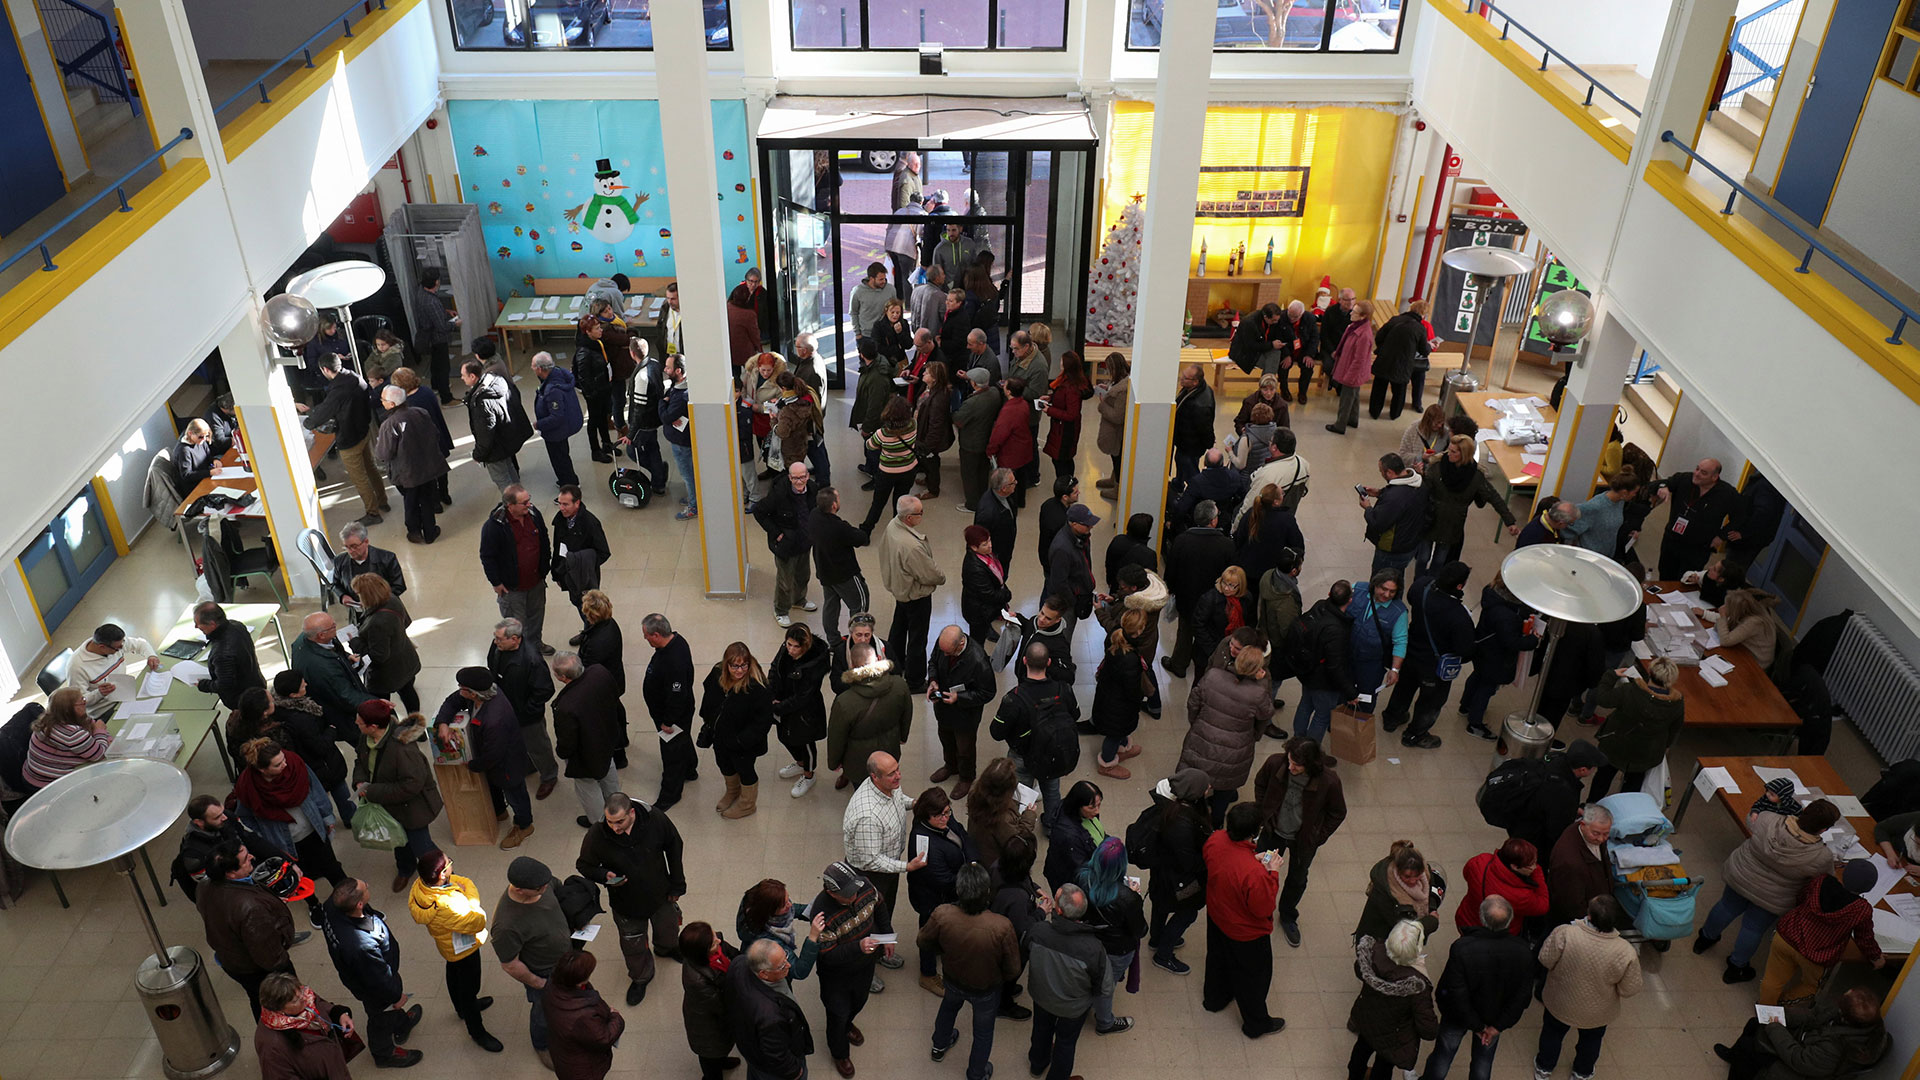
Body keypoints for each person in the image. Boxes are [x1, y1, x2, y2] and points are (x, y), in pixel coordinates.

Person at [1696, 799, 1845, 982]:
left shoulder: (1768, 819)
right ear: (1823, 830)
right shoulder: (1821, 856)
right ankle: (1736, 967)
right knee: (1752, 928)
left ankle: (1704, 939)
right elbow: (1826, 878)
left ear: (1804, 810)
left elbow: (1750, 821)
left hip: (1741, 876)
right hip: (1773, 897)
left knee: (1726, 907)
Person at [575, 792, 685, 1007]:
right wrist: (603, 876)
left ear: (632, 813)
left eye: (620, 821)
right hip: (626, 901)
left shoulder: (655, 820)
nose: (615, 828)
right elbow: (584, 865)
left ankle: (667, 948)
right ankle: (641, 977)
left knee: (669, 927)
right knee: (632, 943)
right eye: (610, 821)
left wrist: (677, 884)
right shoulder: (598, 834)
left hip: (661, 893)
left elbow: (674, 846)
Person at [1421, 896, 1534, 1080]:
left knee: (1443, 1055)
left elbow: (1455, 992)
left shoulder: (1463, 948)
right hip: (1495, 1017)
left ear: (1481, 918)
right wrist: (1496, 1026)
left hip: (1457, 1017)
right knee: (1483, 1061)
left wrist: (1476, 1025)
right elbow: (1522, 995)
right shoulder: (1522, 951)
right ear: (1509, 920)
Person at [1201, 803, 1287, 1039]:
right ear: (1255, 832)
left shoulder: (1215, 839)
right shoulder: (1255, 873)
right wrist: (1272, 872)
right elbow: (1263, 908)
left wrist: (1252, 857)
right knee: (1253, 980)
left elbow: (1224, 864)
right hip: (1245, 934)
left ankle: (1215, 999)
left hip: (1217, 916)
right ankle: (1256, 1024)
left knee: (1217, 960)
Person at [316, 878, 422, 1068]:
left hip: (361, 973)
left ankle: (401, 1023)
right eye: (366, 888)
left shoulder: (331, 906)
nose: (368, 885)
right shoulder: (360, 947)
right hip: (374, 985)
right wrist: (396, 996)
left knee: (387, 1011)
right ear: (359, 904)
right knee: (380, 1016)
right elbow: (378, 980)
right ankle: (384, 1053)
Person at [1252, 737, 1347, 948]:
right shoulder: (1276, 763)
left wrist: (1317, 837)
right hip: (1272, 835)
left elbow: (1338, 813)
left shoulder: (1328, 782)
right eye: (1290, 760)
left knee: (1297, 878)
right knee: (1263, 870)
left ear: (1311, 765)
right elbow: (1260, 784)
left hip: (1302, 843)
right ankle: (1259, 910)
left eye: (1297, 765)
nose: (1291, 767)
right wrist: (1264, 811)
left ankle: (1287, 916)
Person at [1534, 897, 1643, 1080]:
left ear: (1589, 916)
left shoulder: (1565, 933)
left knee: (1552, 1033)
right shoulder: (1626, 952)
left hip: (1561, 1000)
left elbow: (1545, 959)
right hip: (1597, 1010)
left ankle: (1544, 1068)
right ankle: (1582, 1072)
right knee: (1591, 1040)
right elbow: (1629, 989)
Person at [406, 849, 502, 1052]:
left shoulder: (421, 886)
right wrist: (470, 895)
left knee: (453, 970)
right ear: (442, 874)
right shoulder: (451, 904)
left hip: (448, 945)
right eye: (449, 862)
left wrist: (460, 887)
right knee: (469, 987)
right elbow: (477, 920)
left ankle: (460, 1009)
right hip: (464, 948)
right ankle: (477, 1031)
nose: (452, 863)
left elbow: (459, 880)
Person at [809, 859, 896, 1078]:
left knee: (859, 1001)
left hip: (864, 967)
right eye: (848, 894)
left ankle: (848, 1025)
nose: (855, 896)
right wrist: (858, 947)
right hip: (836, 976)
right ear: (831, 892)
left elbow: (880, 906)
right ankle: (839, 1053)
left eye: (855, 890)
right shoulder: (821, 914)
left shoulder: (864, 886)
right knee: (837, 1014)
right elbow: (827, 954)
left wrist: (886, 936)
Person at [1759, 861, 1886, 1006]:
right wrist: (1876, 957)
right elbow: (1864, 938)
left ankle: (1767, 1008)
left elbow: (1801, 897)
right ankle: (1784, 1004)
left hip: (1787, 937)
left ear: (1844, 873)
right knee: (1811, 986)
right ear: (1869, 888)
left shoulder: (1821, 881)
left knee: (1773, 980)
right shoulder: (1862, 909)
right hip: (1816, 955)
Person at [232, 735, 347, 895]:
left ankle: (351, 899)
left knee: (332, 868)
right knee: (299, 878)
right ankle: (315, 906)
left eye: (283, 758)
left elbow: (315, 789)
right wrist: (263, 835)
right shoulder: (247, 786)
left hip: (314, 830)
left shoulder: (295, 764)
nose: (285, 764)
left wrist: (327, 816)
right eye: (278, 764)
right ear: (262, 770)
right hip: (284, 843)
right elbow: (244, 816)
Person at [1380, 562, 1477, 751]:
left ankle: (1392, 718)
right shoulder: (1459, 616)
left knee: (1404, 688)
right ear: (1459, 586)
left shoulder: (1422, 586)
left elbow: (1409, 597)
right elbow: (1465, 651)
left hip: (1409, 652)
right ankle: (1415, 734)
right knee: (1430, 702)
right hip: (1433, 667)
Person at [197, 841, 300, 1017]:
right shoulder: (250, 908)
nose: (252, 857)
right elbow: (271, 958)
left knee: (257, 999)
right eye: (245, 859)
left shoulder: (204, 886)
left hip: (233, 961)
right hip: (259, 968)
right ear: (231, 873)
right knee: (283, 1002)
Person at [437, 667, 536, 849]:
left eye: (461, 687)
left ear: (473, 693)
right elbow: (452, 701)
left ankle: (524, 825)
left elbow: (494, 755)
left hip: (507, 765)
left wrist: (471, 765)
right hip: (491, 759)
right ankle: (499, 811)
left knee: (516, 795)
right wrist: (442, 723)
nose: (459, 689)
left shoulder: (494, 718)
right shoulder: (483, 693)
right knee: (492, 785)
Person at [351, 701, 442, 893]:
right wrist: (360, 781)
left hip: (412, 809)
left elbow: (412, 785)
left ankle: (441, 876)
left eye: (359, 722)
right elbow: (360, 761)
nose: (356, 724)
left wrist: (372, 792)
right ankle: (405, 869)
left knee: (422, 845)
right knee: (398, 841)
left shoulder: (403, 749)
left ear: (373, 726)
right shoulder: (365, 737)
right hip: (388, 806)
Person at [490, 857, 573, 1068]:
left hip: (565, 958)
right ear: (519, 889)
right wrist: (539, 984)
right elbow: (509, 964)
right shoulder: (506, 925)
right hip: (543, 971)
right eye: (539, 887)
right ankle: (542, 1045)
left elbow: (556, 885)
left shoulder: (543, 884)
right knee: (542, 1011)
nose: (545, 888)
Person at [992, 643, 1082, 834]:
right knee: (1051, 791)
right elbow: (1075, 715)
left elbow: (996, 733)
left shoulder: (1014, 698)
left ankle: (1022, 829)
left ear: (1024, 661)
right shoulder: (1063, 689)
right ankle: (1051, 826)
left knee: (1022, 794)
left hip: (1022, 755)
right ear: (1048, 662)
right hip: (1053, 752)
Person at [1027, 883, 1113, 1080]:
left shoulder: (1039, 931)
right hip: (1073, 1008)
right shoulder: (1093, 948)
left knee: (1041, 1028)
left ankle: (1037, 1065)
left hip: (1041, 997)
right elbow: (1106, 987)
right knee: (1065, 1042)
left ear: (1058, 910)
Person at [1180, 644, 1272, 827]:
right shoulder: (1258, 693)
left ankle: (1188, 822)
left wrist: (1196, 723)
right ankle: (1215, 826)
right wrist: (1254, 735)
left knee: (1193, 787)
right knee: (1224, 793)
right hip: (1235, 751)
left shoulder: (1213, 676)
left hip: (1202, 741)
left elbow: (1193, 702)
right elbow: (1266, 714)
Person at [1715, 987, 1891, 1080]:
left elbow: (1798, 1059)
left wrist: (1775, 1025)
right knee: (1754, 1023)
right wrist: (1783, 1015)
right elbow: (1814, 1015)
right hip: (1807, 1043)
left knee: (1749, 1049)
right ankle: (1733, 1055)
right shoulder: (1857, 1020)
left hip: (1800, 1070)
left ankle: (1739, 1065)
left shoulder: (1838, 1048)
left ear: (1845, 1017)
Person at [300, 352, 390, 524]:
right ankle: (383, 501)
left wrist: (308, 422)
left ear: (325, 369)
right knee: (370, 467)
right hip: (363, 430)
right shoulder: (355, 377)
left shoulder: (338, 390)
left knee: (359, 477)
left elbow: (324, 412)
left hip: (349, 438)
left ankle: (373, 513)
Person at [1347, 919, 1439, 1080]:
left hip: (1367, 1018)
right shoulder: (1417, 984)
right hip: (1395, 1035)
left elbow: (1358, 969)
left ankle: (1354, 1076)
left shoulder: (1373, 953)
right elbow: (1428, 1029)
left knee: (1360, 1052)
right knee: (1383, 1068)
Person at [1146, 768, 1214, 976]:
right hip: (1180, 881)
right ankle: (1163, 955)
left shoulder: (1168, 810)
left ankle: (1156, 938)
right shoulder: (1183, 823)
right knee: (1188, 913)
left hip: (1161, 874)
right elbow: (1188, 862)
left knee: (1160, 907)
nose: (1210, 788)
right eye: (1206, 786)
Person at [1588, 658, 1686, 800]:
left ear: (1650, 673)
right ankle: (1625, 815)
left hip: (1615, 745)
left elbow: (1602, 698)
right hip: (1646, 754)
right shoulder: (1676, 703)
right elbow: (1675, 729)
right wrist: (1665, 746)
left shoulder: (1630, 691)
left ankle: (1590, 807)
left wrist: (1611, 675)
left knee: (1603, 778)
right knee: (1632, 787)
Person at [1458, 572, 1540, 740]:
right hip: (1496, 657)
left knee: (1477, 676)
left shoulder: (1491, 592)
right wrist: (1533, 640)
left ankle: (1465, 705)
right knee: (1486, 688)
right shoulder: (1506, 615)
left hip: (1483, 649)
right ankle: (1475, 724)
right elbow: (1512, 642)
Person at [1420, 436, 1519, 573]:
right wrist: (1421, 476)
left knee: (1439, 560)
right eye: (1449, 450)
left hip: (1452, 523)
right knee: (1423, 557)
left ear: (1464, 454)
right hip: (1431, 517)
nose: (1449, 454)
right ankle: (1419, 582)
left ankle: (1430, 584)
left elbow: (1494, 497)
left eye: (1454, 452)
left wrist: (1510, 521)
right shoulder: (1437, 467)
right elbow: (1424, 490)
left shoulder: (1476, 476)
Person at [700, 642, 776, 820]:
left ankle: (747, 804)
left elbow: (763, 720)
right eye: (735, 665)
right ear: (727, 664)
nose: (739, 670)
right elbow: (708, 696)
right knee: (724, 764)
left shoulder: (758, 687)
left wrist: (743, 741)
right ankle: (733, 791)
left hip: (743, 742)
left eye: (744, 665)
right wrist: (708, 719)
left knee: (745, 769)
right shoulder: (717, 674)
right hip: (720, 736)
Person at [1079, 837, 1147, 1036]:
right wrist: (1135, 897)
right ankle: (1105, 1022)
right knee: (1105, 987)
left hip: (1088, 943)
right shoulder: (1128, 898)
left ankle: (1081, 1008)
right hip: (1117, 950)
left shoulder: (1083, 878)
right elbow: (1140, 930)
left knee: (1087, 978)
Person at [488, 617, 561, 801]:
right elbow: (492, 664)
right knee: (517, 741)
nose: (495, 642)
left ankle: (549, 775)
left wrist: (527, 711)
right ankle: (529, 764)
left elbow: (545, 689)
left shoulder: (532, 660)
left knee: (538, 745)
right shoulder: (498, 647)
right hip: (507, 707)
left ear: (515, 639)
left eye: (499, 639)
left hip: (527, 716)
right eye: (495, 638)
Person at [877, 495, 944, 692]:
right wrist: (942, 578)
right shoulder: (912, 546)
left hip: (900, 590)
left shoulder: (892, 525)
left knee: (898, 628)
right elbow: (930, 574)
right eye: (919, 513)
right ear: (908, 518)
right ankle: (915, 681)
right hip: (916, 595)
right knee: (917, 638)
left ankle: (895, 664)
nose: (922, 515)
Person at [1162, 500, 1236, 678]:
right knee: (1210, 633)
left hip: (1187, 598)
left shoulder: (1182, 540)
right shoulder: (1226, 545)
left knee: (1185, 632)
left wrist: (1172, 590)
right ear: (1213, 521)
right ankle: (1209, 666)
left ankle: (1179, 664)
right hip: (1215, 601)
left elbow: (1170, 571)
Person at [549, 653, 622, 827]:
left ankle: (601, 825)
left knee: (588, 789)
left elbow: (568, 742)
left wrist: (561, 752)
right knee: (609, 775)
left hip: (586, 755)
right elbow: (615, 696)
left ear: (563, 678)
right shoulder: (600, 672)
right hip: (607, 739)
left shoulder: (566, 706)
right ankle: (619, 811)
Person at [479, 484, 553, 656]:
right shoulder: (494, 526)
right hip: (512, 588)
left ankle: (535, 644)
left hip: (536, 582)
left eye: (528, 500)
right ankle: (521, 654)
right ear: (509, 506)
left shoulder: (533, 514)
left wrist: (545, 567)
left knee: (536, 616)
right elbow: (487, 557)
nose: (529, 505)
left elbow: (544, 539)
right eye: (524, 503)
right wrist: (496, 582)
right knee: (515, 624)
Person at [827, 645, 913, 786]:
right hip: (889, 749)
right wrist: (903, 736)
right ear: (878, 659)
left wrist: (834, 763)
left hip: (858, 760)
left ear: (852, 665)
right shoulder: (899, 685)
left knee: (862, 792)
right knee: (888, 784)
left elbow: (837, 736)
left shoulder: (844, 701)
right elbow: (907, 714)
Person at [373, 385, 449, 544]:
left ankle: (414, 531)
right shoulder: (421, 413)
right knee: (427, 499)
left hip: (407, 473)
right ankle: (430, 532)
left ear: (392, 404)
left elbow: (383, 454)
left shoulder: (389, 424)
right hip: (428, 467)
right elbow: (435, 434)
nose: (381, 402)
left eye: (383, 400)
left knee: (411, 502)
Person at [730, 938, 815, 1080]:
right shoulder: (771, 1016)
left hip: (752, 1050)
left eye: (786, 957)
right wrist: (795, 1072)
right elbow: (777, 1054)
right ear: (763, 973)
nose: (788, 965)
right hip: (773, 1069)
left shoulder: (739, 964)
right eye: (781, 966)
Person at [927, 625, 995, 799]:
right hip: (943, 706)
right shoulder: (944, 644)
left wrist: (961, 698)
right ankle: (950, 766)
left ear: (961, 643)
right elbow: (933, 661)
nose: (945, 654)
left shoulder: (978, 660)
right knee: (946, 738)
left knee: (965, 747)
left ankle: (966, 777)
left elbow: (988, 692)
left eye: (948, 653)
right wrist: (933, 681)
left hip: (966, 714)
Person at [640, 613, 698, 812]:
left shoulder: (674, 661)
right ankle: (690, 768)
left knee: (671, 754)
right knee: (683, 741)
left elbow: (677, 696)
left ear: (656, 635)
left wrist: (668, 721)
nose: (645, 638)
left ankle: (670, 794)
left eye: (646, 635)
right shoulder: (676, 641)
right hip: (674, 713)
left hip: (673, 717)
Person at [254, 972, 357, 1080]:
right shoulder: (271, 1046)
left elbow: (319, 1003)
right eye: (295, 1001)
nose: (304, 998)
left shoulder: (303, 996)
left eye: (301, 991)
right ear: (279, 1009)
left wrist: (338, 1014)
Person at [769, 623, 832, 799]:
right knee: (785, 736)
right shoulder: (785, 650)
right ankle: (800, 763)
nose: (791, 650)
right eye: (788, 644)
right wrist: (771, 694)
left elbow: (802, 697)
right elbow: (774, 669)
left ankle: (809, 775)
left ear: (805, 645)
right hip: (782, 703)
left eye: (796, 646)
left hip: (805, 711)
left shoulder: (813, 666)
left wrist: (776, 707)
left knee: (805, 741)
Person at [1292, 581, 1359, 742]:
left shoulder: (1320, 605)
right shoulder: (1336, 630)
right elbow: (1335, 666)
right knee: (1322, 717)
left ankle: (1296, 741)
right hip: (1323, 682)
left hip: (1308, 671)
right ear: (1350, 600)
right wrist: (1350, 692)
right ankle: (1309, 753)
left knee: (1305, 705)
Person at [1651, 458, 1739, 580]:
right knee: (1665, 575)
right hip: (1672, 540)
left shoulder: (1727, 494)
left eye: (1703, 473)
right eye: (1697, 468)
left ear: (1715, 477)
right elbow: (1660, 484)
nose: (1696, 474)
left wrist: (1722, 536)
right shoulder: (1684, 479)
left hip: (1697, 549)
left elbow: (1740, 517)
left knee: (1685, 580)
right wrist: (1663, 487)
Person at [755, 462, 820, 626]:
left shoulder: (813, 489)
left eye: (802, 477)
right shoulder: (779, 494)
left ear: (807, 476)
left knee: (803, 575)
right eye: (795, 478)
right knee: (785, 581)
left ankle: (799, 600)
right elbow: (759, 511)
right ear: (790, 478)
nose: (799, 481)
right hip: (786, 545)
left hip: (805, 542)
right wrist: (776, 533)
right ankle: (781, 610)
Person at [807, 487, 872, 643]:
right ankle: (858, 640)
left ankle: (834, 640)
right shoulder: (839, 527)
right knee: (860, 604)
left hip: (825, 571)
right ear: (834, 505)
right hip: (844, 574)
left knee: (831, 605)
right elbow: (860, 538)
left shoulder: (814, 515)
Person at [676, 923, 740, 1080]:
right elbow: (721, 1007)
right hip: (707, 1026)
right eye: (713, 942)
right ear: (701, 952)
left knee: (720, 1050)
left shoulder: (713, 943)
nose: (718, 940)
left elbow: (735, 955)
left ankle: (722, 1060)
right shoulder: (697, 981)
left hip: (717, 1019)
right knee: (710, 1057)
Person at [350, 573, 421, 714]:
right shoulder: (392, 599)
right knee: (408, 692)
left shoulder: (378, 622)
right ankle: (416, 728)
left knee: (382, 705)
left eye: (359, 594)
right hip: (405, 658)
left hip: (387, 673)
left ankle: (391, 730)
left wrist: (354, 641)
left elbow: (378, 656)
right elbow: (407, 621)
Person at [1356, 839, 1447, 945]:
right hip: (1380, 942)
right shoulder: (1387, 893)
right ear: (1397, 871)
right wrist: (1431, 922)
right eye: (1407, 876)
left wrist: (1431, 907)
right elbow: (1405, 932)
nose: (1413, 881)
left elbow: (1430, 888)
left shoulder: (1425, 872)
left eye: (1417, 875)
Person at [1089, 622, 1150, 780]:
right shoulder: (1129, 659)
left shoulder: (1117, 644)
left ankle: (1122, 747)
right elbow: (1131, 689)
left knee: (1120, 729)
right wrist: (1138, 699)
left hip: (1109, 698)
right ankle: (1107, 764)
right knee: (1114, 734)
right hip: (1119, 705)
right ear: (1137, 631)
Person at [551, 486, 612, 639]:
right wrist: (557, 574)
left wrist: (583, 564)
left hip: (586, 577)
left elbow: (603, 552)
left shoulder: (590, 523)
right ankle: (588, 631)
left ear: (577, 503)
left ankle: (593, 635)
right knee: (578, 604)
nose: (561, 508)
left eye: (566, 504)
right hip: (567, 573)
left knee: (589, 607)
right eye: (559, 503)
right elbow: (557, 547)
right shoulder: (560, 521)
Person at [1454, 839, 1549, 937]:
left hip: (1467, 921)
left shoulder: (1480, 861)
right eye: (1531, 865)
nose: (1534, 867)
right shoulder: (1521, 896)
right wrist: (1538, 873)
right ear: (1515, 867)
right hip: (1501, 935)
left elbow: (1466, 873)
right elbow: (1543, 905)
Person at [462, 357, 530, 491]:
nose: (461, 378)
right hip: (506, 439)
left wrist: (478, 454)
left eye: (463, 375)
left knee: (505, 484)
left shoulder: (480, 401)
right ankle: (522, 500)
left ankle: (516, 507)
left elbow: (485, 432)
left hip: (495, 449)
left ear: (472, 376)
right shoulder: (496, 380)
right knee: (511, 473)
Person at [21, 687, 108, 789]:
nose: (85, 703)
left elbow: (89, 722)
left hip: (31, 774)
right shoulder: (72, 733)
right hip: (45, 785)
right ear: (68, 710)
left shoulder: (47, 719)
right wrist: (100, 731)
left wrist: (97, 731)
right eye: (82, 702)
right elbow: (99, 755)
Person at [1547, 804, 1616, 928]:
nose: (1601, 839)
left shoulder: (1587, 835)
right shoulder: (1569, 861)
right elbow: (1571, 903)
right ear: (1583, 825)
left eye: (1606, 834)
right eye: (1596, 833)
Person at [967, 755, 1040, 871]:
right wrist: (1029, 816)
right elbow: (1017, 842)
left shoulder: (975, 794)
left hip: (980, 852)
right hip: (997, 864)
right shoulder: (1002, 819)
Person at [1361, 453, 1425, 584]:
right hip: (1410, 544)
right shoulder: (1418, 483)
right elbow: (1404, 503)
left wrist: (1367, 508)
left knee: (1381, 583)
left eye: (1381, 471)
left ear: (1389, 472)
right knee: (1397, 579)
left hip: (1392, 550)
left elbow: (1377, 523)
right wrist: (1380, 493)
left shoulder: (1395, 497)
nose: (1381, 474)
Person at [190, 602, 265, 708]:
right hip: (255, 682)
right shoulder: (237, 625)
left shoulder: (222, 654)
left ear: (212, 624)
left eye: (199, 624)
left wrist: (203, 685)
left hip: (243, 700)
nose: (196, 626)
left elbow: (224, 685)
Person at [1370, 302, 1431, 421]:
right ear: (1423, 314)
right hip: (1403, 364)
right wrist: (1429, 345)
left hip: (1384, 359)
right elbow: (1424, 350)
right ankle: (1394, 414)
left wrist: (1384, 349)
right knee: (1399, 391)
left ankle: (1374, 412)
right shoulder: (1420, 328)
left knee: (1379, 388)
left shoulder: (1394, 320)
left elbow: (1379, 337)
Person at [1561, 471, 1643, 559]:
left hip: (1606, 555)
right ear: (1624, 492)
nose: (1635, 495)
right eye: (1634, 492)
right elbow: (1568, 527)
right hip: (1589, 557)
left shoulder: (1620, 502)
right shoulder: (1595, 507)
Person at [1325, 299, 1377, 435]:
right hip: (1348, 366)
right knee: (1354, 395)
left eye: (1354, 312)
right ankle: (1353, 419)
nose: (1350, 314)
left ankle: (1340, 425)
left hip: (1353, 371)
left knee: (1346, 398)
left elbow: (1359, 360)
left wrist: (1349, 376)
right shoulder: (1354, 326)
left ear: (1363, 316)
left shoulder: (1364, 335)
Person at [64, 621, 159, 696]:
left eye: (123, 643)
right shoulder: (76, 667)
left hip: (124, 692)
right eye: (118, 648)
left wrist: (151, 656)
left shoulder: (114, 643)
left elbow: (140, 644)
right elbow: (79, 699)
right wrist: (99, 693)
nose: (122, 647)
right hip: (103, 709)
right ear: (102, 647)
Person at [332, 522, 408, 617]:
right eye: (346, 547)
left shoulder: (387, 558)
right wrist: (342, 596)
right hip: (357, 614)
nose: (350, 551)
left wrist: (374, 600)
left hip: (384, 611)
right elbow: (336, 584)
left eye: (354, 546)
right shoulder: (340, 560)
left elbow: (399, 586)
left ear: (366, 542)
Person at [953, 370, 1002, 509]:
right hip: (985, 438)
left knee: (969, 474)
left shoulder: (972, 402)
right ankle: (983, 496)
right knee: (982, 471)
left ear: (974, 383)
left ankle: (972, 504)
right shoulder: (994, 392)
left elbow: (958, 419)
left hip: (971, 442)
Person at [987, 376, 1039, 505]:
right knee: (1020, 478)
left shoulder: (1009, 410)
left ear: (1009, 391)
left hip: (1011, 452)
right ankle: (1021, 501)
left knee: (1010, 483)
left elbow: (1000, 433)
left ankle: (1011, 506)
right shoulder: (1023, 403)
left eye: (1005, 385)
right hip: (1023, 449)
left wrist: (991, 450)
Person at [1045, 503, 1100, 621]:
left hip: (1079, 593)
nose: (1091, 527)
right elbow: (1059, 582)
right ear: (1074, 524)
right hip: (1068, 602)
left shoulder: (1082, 537)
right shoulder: (1062, 549)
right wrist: (1073, 602)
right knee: (1065, 634)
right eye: (1087, 524)